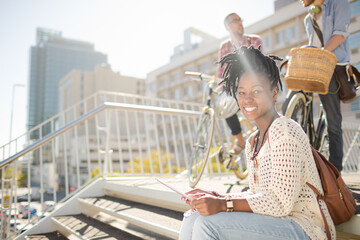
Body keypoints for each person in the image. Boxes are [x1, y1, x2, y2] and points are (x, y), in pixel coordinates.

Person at [179, 46, 335, 240]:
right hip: (274, 223)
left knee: (207, 224)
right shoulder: (253, 141)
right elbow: (256, 195)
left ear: (274, 93)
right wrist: (216, 197)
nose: (247, 99)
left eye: (257, 91)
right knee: (192, 217)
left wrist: (223, 203)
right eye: (241, 92)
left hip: (305, 228)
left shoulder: (284, 129)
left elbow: (279, 202)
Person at [282, 0, 351, 172]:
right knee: (287, 105)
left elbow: (339, 35)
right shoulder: (309, 17)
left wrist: (320, 56)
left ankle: (335, 172)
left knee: (333, 121)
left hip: (333, 66)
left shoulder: (339, 4)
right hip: (313, 66)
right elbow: (313, 44)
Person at [217, 13, 263, 155]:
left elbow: (261, 66)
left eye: (240, 19)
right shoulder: (225, 46)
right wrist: (220, 89)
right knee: (224, 103)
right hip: (234, 90)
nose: (239, 23)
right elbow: (221, 72)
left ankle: (263, 140)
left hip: (253, 86)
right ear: (227, 26)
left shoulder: (254, 40)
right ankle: (240, 140)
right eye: (234, 20)